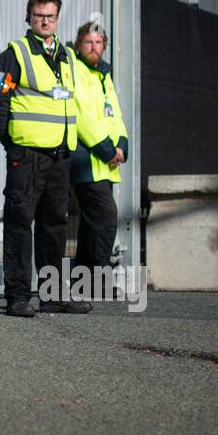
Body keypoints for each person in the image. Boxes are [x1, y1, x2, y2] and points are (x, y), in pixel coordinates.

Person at [0, 0, 91, 317]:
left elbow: (71, 102)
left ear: (57, 19)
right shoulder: (14, 54)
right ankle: (18, 297)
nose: (44, 21)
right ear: (28, 18)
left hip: (60, 156)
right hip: (27, 155)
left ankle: (52, 295)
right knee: (20, 224)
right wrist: (14, 143)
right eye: (38, 15)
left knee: (54, 225)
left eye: (50, 16)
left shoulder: (68, 56)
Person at [69, 21, 129, 297]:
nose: (94, 47)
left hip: (105, 164)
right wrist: (107, 149)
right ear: (80, 44)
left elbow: (113, 113)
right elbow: (82, 115)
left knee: (93, 222)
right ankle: (99, 279)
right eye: (88, 42)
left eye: (99, 42)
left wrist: (122, 145)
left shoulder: (103, 75)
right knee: (106, 216)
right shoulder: (77, 70)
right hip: (86, 160)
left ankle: (83, 282)